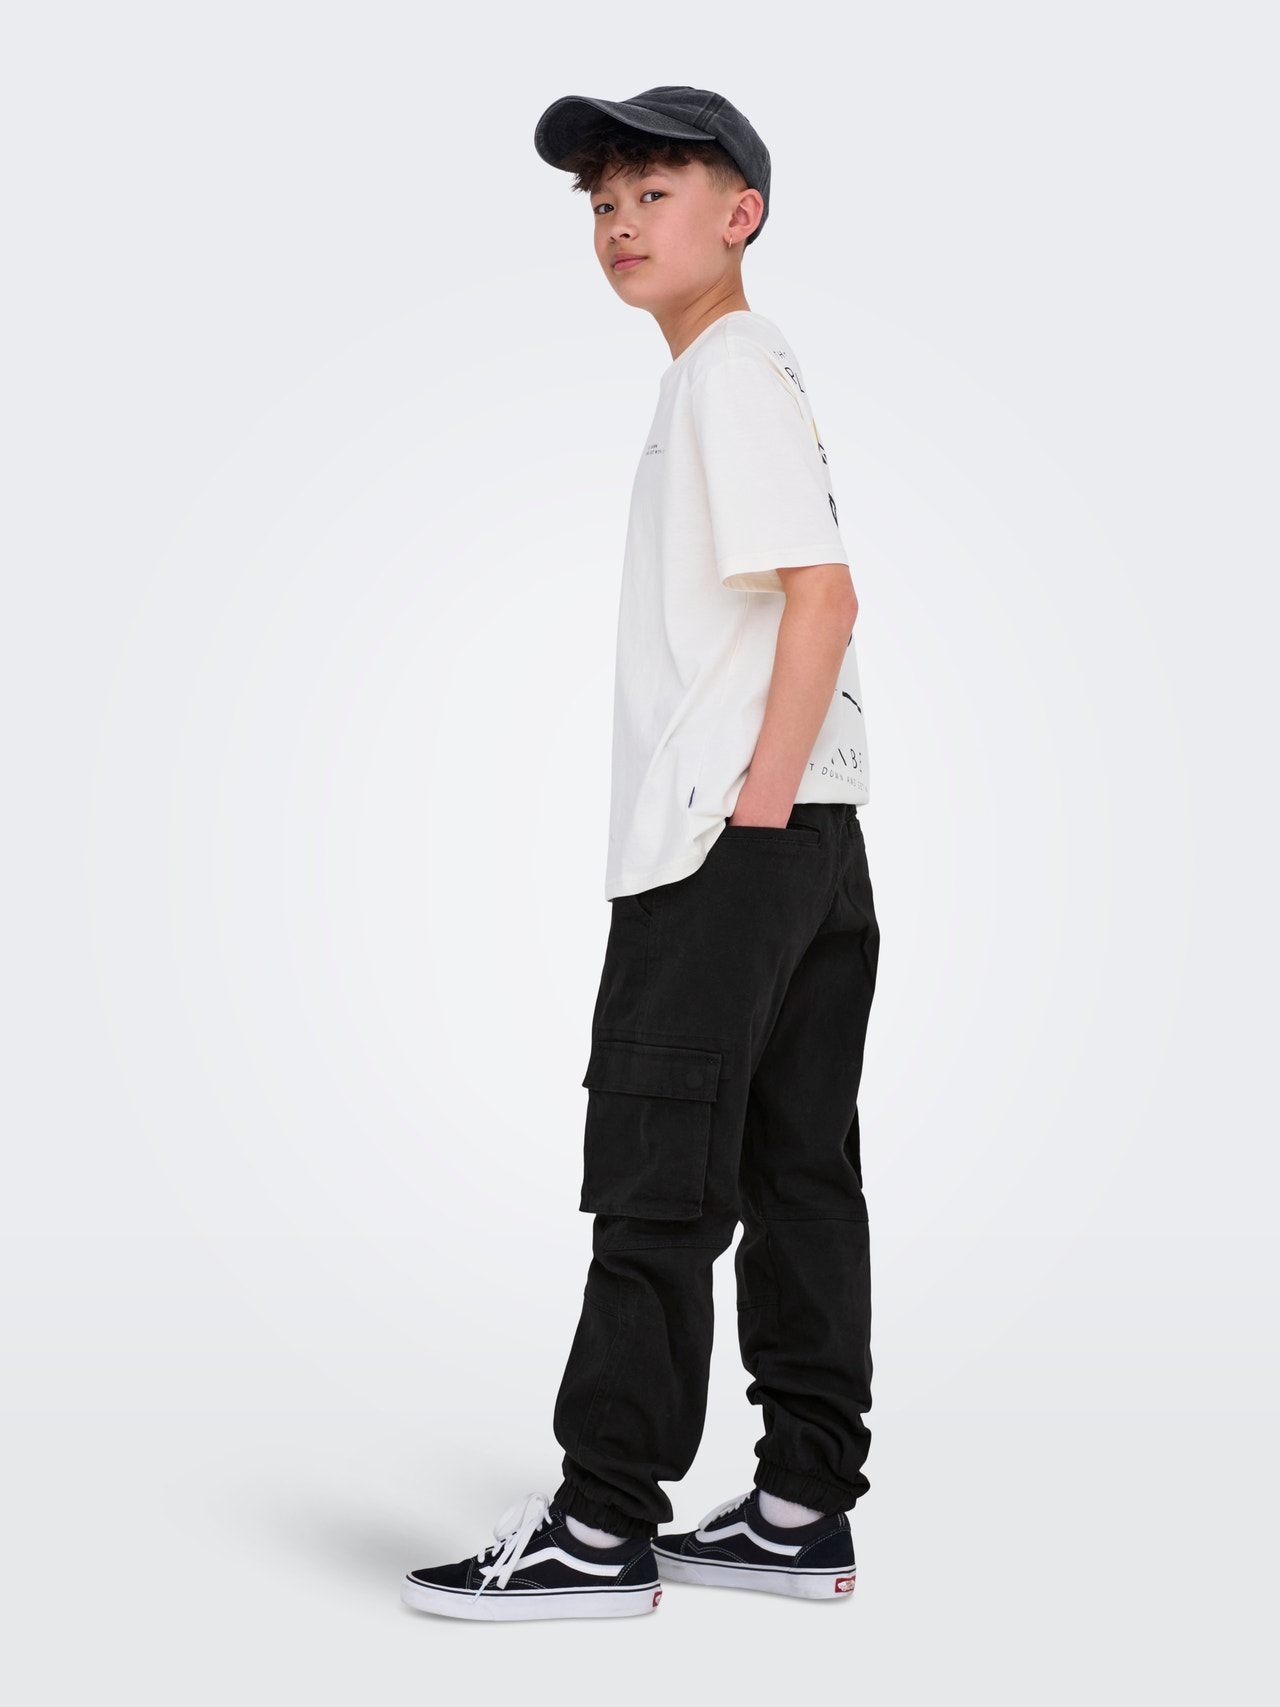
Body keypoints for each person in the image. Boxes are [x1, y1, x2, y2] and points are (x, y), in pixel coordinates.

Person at [402, 86, 879, 1622]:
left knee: (658, 1174)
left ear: (740, 214)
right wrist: (789, 815)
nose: (618, 222)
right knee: (797, 1169)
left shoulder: (728, 371)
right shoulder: (746, 371)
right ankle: (801, 1505)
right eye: (602, 202)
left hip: (731, 840)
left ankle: (602, 1526)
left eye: (653, 192)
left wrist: (748, 811)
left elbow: (822, 597)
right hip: (817, 840)